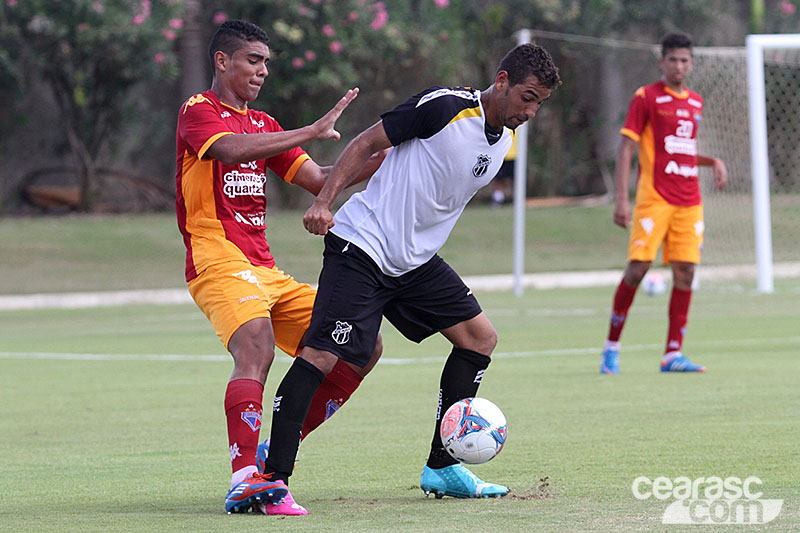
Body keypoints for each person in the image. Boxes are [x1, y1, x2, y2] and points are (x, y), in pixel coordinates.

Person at [258, 43, 561, 515]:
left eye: (539, 102)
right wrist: (324, 202)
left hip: (414, 263)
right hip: (363, 246)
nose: (530, 110)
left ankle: (442, 465)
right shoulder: (445, 107)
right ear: (501, 80)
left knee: (479, 339)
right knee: (320, 354)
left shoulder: (504, 140)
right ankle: (272, 478)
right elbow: (366, 143)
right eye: (526, 97)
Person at [174, 20, 385, 515]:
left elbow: (320, 178)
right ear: (222, 61)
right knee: (256, 345)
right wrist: (310, 130)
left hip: (265, 268)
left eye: (266, 63)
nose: (262, 71)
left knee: (361, 344)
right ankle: (245, 476)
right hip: (215, 258)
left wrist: (392, 153)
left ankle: (272, 454)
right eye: (253, 60)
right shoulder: (198, 111)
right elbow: (226, 148)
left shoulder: (266, 126)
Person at [599, 32, 728, 375]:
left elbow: (679, 149)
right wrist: (622, 199)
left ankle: (673, 354)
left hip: (690, 200)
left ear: (692, 63)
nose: (679, 66)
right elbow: (627, 147)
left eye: (685, 60)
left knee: (686, 271)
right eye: (673, 59)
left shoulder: (696, 102)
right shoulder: (646, 97)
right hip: (654, 197)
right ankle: (611, 346)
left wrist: (711, 161)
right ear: (662, 62)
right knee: (638, 268)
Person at [491, 130, 517, 206]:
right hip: (501, 154)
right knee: (499, 179)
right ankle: (498, 199)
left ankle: (517, 199)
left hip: (516, 155)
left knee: (516, 179)